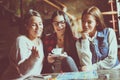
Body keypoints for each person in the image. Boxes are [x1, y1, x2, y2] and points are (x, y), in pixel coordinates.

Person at [0, 9, 44, 79]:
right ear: (26, 26)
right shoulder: (21, 41)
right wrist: (33, 58)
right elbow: (23, 71)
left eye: (40, 24)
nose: (38, 27)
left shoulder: (40, 41)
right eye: (34, 25)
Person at [76, 6, 119, 71]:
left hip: (114, 70)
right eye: (83, 21)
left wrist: (92, 67)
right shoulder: (79, 42)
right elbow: (86, 65)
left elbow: (112, 60)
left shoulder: (109, 33)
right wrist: (85, 40)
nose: (85, 25)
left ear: (97, 23)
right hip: (94, 74)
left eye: (89, 22)